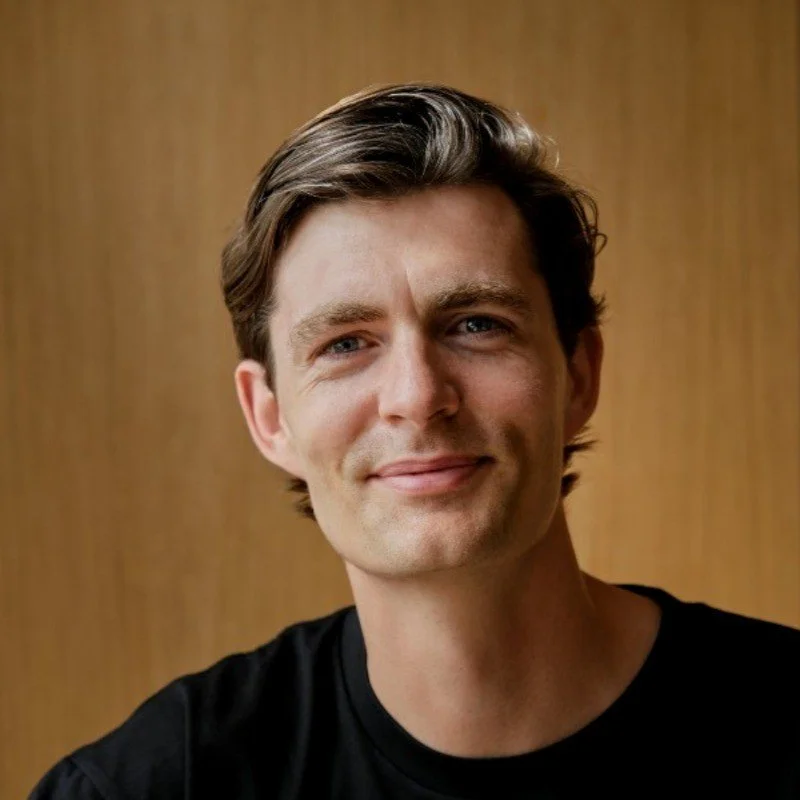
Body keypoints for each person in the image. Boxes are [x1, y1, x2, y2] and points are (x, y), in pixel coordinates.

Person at [30, 83, 799, 800]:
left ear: (578, 375)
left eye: (476, 325)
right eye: (344, 344)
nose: (417, 397)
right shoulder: (153, 784)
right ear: (269, 417)